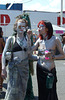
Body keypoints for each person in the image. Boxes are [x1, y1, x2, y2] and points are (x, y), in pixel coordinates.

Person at [28, 20, 64, 100]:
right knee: (42, 91)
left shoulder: (55, 39)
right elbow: (29, 50)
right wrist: (28, 37)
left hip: (50, 69)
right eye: (38, 26)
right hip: (40, 68)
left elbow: (63, 55)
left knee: (51, 91)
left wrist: (53, 56)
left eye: (41, 26)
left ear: (47, 28)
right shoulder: (39, 40)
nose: (39, 28)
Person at [1, 18, 32, 100]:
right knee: (12, 89)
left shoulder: (26, 39)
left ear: (26, 28)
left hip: (24, 68)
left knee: (22, 90)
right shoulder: (11, 38)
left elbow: (29, 52)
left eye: (23, 26)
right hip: (14, 67)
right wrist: (3, 68)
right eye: (19, 26)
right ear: (16, 27)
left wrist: (29, 38)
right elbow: (4, 53)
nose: (21, 28)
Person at [0, 27, 5, 92]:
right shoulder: (1, 39)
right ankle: (0, 85)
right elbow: (5, 48)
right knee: (1, 72)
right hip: (1, 56)